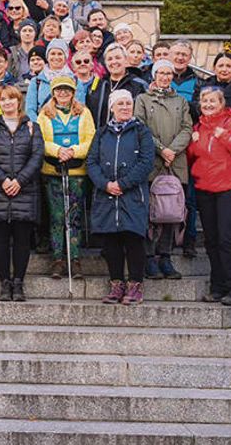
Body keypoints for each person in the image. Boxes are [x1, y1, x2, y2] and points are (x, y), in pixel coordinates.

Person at [187, 86, 231, 305]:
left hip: (229, 189)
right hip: (205, 189)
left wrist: (225, 137)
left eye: (213, 101)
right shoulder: (197, 127)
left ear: (222, 104)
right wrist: (192, 143)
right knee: (211, 241)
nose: (208, 105)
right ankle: (217, 287)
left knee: (227, 240)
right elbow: (191, 159)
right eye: (204, 101)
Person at [88, 90, 155, 305]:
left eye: (128, 103)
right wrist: (106, 184)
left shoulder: (141, 131)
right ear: (112, 108)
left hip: (132, 195)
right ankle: (116, 284)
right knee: (111, 242)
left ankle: (135, 285)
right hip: (106, 196)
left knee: (134, 239)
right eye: (120, 104)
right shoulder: (101, 133)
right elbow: (91, 162)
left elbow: (146, 162)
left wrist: (123, 184)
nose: (125, 107)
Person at [0, 86, 44, 301]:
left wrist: (19, 181)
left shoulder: (32, 127)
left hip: (24, 191)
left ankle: (18, 283)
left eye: (11, 99)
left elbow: (37, 157)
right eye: (3, 100)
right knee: (0, 240)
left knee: (21, 240)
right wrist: (4, 180)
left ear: (19, 101)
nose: (7, 103)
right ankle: (4, 283)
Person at [135, 60, 193, 280]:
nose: (165, 77)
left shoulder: (181, 101)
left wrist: (172, 150)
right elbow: (140, 127)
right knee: (151, 211)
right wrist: (161, 150)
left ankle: (165, 256)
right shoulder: (142, 99)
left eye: (169, 73)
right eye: (161, 73)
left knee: (171, 211)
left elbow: (187, 128)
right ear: (154, 75)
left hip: (175, 163)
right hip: (152, 162)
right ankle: (149, 257)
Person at [37, 75, 94, 280]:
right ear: (53, 92)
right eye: (59, 90)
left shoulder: (84, 112)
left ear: (73, 92)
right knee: (57, 217)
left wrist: (73, 150)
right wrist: (57, 150)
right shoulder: (45, 114)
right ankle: (57, 259)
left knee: (74, 217)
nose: (63, 93)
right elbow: (40, 139)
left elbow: (90, 139)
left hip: (77, 172)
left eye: (67, 90)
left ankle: (75, 258)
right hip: (52, 171)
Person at [87, 45, 147, 124]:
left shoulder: (138, 85)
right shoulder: (97, 84)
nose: (114, 62)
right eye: (110, 59)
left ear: (126, 60)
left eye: (118, 58)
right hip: (100, 134)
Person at [25, 39, 74, 121]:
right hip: (44, 127)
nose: (56, 57)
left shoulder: (74, 80)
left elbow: (79, 106)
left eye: (60, 54)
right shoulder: (37, 81)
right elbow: (30, 109)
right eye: (52, 54)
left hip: (69, 128)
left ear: (65, 56)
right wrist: (39, 125)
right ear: (47, 56)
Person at [200, 53, 231, 128]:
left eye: (228, 66)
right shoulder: (204, 86)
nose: (224, 69)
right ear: (214, 68)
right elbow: (198, 110)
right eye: (221, 66)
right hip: (207, 128)